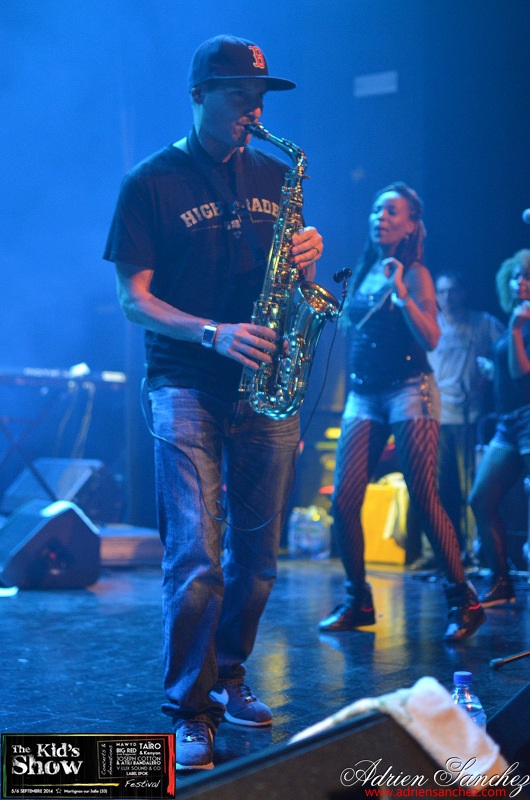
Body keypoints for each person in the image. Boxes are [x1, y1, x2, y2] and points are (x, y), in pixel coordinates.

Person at [103, 34, 324, 771]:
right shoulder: (150, 181)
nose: (253, 111)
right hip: (185, 380)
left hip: (264, 383)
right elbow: (132, 299)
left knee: (257, 559)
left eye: (259, 98)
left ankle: (229, 675)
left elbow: (291, 288)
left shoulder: (276, 172)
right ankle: (189, 708)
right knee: (196, 554)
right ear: (199, 95)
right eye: (238, 96)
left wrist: (306, 264)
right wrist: (212, 333)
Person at [318, 182, 485, 641]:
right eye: (377, 210)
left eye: (392, 212)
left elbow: (432, 337)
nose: (381, 217)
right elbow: (352, 327)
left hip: (410, 389)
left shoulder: (415, 273)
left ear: (411, 225)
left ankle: (464, 601)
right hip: (363, 393)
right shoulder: (365, 268)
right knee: (343, 500)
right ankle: (358, 600)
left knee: (424, 496)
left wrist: (402, 294)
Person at [406, 271, 504, 567]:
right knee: (433, 488)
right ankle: (436, 552)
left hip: (469, 415)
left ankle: (477, 550)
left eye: (453, 291)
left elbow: (506, 351)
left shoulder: (482, 323)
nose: (448, 297)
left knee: (470, 488)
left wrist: (489, 374)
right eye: (442, 292)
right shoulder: (430, 323)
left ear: (463, 292)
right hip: (434, 415)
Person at [469, 250, 530, 606]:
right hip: (509, 424)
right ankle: (501, 581)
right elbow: (510, 371)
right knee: (481, 498)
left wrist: (518, 329)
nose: (520, 282)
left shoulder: (523, 322)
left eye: (528, 277)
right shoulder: (516, 318)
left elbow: (524, 375)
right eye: (516, 276)